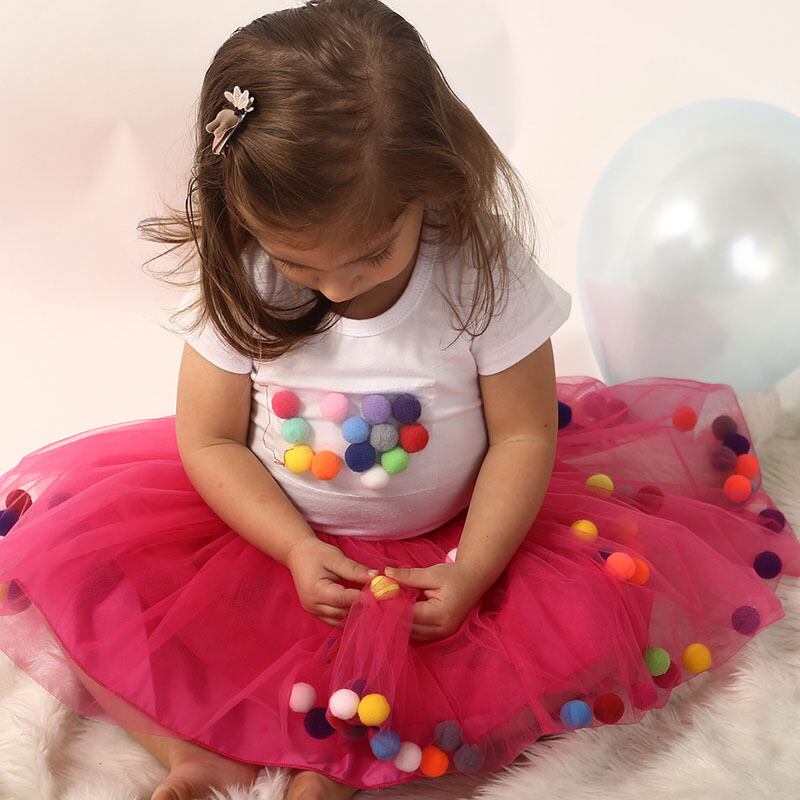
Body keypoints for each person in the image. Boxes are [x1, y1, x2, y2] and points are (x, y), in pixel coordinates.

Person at [0, 1, 798, 799]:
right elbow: (209, 440)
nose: (337, 287)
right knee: (76, 575)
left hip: (447, 546)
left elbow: (522, 436)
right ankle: (197, 754)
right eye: (302, 264)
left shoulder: (477, 270)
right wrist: (292, 547)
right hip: (273, 539)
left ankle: (342, 766)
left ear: (431, 180)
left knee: (548, 638)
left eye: (371, 255)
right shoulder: (247, 272)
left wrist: (474, 569)